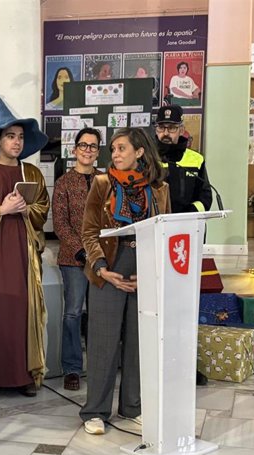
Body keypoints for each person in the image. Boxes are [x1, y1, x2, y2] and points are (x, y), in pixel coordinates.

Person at [79, 128, 170, 435]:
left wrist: (151, 272)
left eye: (121, 148)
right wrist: (102, 268)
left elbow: (164, 232)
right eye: (113, 149)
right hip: (109, 269)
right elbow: (89, 231)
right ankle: (95, 411)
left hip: (143, 271)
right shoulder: (102, 184)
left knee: (136, 343)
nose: (114, 154)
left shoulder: (159, 189)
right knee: (103, 343)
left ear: (140, 152)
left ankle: (132, 406)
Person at [0, 92, 50, 398]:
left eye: (20, 137)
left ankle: (25, 375)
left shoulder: (32, 173)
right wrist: (0, 211)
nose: (16, 142)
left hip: (22, 252)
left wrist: (27, 210)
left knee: (22, 309)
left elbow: (42, 210)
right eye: (10, 136)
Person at [153, 104, 212, 386]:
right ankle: (155, 362)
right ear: (156, 129)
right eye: (162, 128)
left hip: (186, 244)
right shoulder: (145, 158)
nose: (167, 133)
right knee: (157, 306)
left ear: (181, 130)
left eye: (172, 128)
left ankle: (185, 364)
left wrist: (189, 211)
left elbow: (206, 198)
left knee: (184, 307)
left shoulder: (195, 159)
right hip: (154, 242)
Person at [52, 127, 102, 391]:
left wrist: (99, 253)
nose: (87, 150)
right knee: (72, 313)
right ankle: (72, 368)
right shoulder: (63, 183)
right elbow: (60, 224)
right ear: (74, 150)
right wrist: (81, 251)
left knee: (98, 313)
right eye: (83, 145)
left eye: (93, 146)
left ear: (98, 152)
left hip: (103, 259)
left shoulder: (106, 181)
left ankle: (99, 364)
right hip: (73, 260)